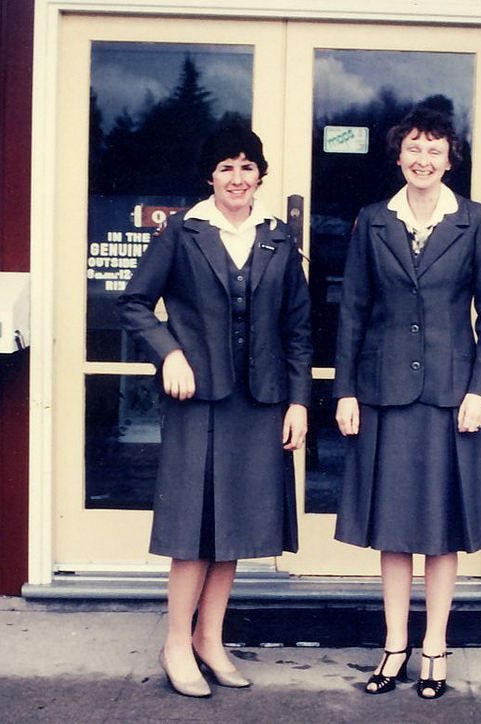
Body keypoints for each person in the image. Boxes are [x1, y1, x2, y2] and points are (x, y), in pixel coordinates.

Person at [117, 123, 312, 698]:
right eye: (226, 167)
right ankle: (177, 641)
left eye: (247, 167)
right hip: (198, 400)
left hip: (260, 403)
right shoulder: (182, 231)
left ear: (260, 176)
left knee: (235, 528)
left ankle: (210, 639)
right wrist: (169, 352)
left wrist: (298, 403)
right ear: (210, 175)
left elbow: (298, 331)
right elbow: (133, 304)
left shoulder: (278, 239)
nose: (237, 177)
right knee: (194, 528)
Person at [333, 101, 481, 701]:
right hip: (383, 394)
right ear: (399, 156)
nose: (424, 159)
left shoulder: (476, 221)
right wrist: (346, 389)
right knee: (393, 528)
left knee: (441, 529)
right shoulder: (372, 220)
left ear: (450, 158)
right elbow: (352, 310)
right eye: (414, 149)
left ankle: (435, 644)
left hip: (449, 396)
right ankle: (394, 645)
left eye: (435, 149)